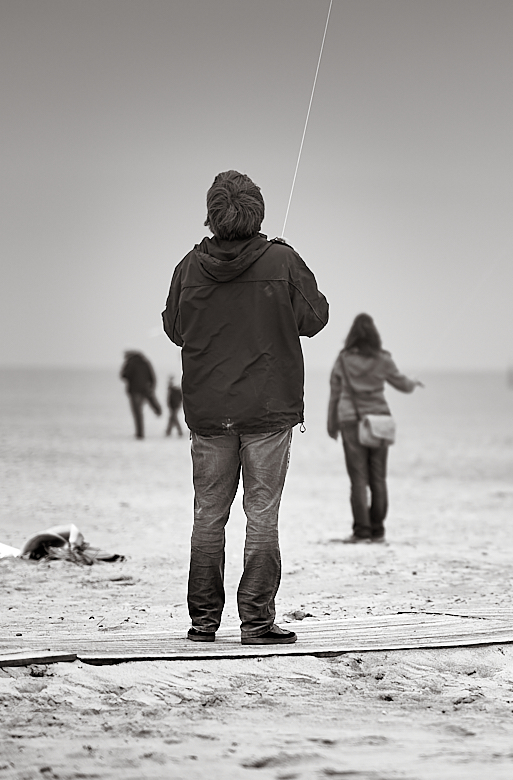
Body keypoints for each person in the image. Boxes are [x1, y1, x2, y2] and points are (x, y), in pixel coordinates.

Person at [163, 170, 328, 645]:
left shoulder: (189, 268)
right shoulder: (282, 259)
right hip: (268, 410)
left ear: (213, 215)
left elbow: (175, 328)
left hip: (210, 411)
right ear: (256, 212)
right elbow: (315, 318)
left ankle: (203, 623)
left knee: (209, 515)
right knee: (262, 515)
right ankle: (256, 622)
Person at [327, 313, 422, 544]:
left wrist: (332, 424)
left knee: (358, 480)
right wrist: (413, 383)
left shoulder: (343, 360)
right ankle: (378, 530)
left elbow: (335, 393)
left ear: (351, 335)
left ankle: (361, 532)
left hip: (351, 420)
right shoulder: (383, 359)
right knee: (378, 478)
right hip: (380, 420)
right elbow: (402, 384)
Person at [120, 351, 161, 439]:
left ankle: (140, 434)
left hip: (135, 390)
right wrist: (152, 387)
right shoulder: (145, 362)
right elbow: (152, 377)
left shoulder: (130, 363)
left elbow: (124, 375)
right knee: (143, 408)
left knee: (137, 413)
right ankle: (157, 410)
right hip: (145, 389)